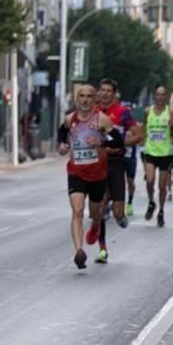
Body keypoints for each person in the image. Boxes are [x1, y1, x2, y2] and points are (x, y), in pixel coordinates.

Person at [59, 83, 115, 269]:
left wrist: (101, 141)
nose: (85, 100)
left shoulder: (103, 120)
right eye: (81, 96)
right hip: (76, 172)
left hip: (97, 174)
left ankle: (96, 226)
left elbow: (118, 141)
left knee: (95, 213)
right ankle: (79, 252)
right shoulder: (69, 119)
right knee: (77, 211)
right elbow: (62, 134)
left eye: (89, 96)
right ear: (77, 99)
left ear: (95, 99)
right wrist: (62, 146)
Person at [88, 78, 140, 263]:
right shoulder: (93, 111)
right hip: (97, 162)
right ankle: (102, 249)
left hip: (116, 163)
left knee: (117, 212)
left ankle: (120, 217)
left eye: (108, 91)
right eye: (102, 90)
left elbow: (139, 135)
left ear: (114, 93)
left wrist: (120, 143)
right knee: (100, 206)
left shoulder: (123, 113)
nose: (104, 94)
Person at [140, 86, 173, 227]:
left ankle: (161, 211)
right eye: (158, 94)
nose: (160, 97)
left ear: (166, 97)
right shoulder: (147, 111)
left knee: (162, 186)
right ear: (155, 96)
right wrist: (141, 139)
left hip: (165, 153)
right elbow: (143, 127)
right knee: (150, 180)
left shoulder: (170, 112)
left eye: (163, 95)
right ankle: (151, 202)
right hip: (150, 151)